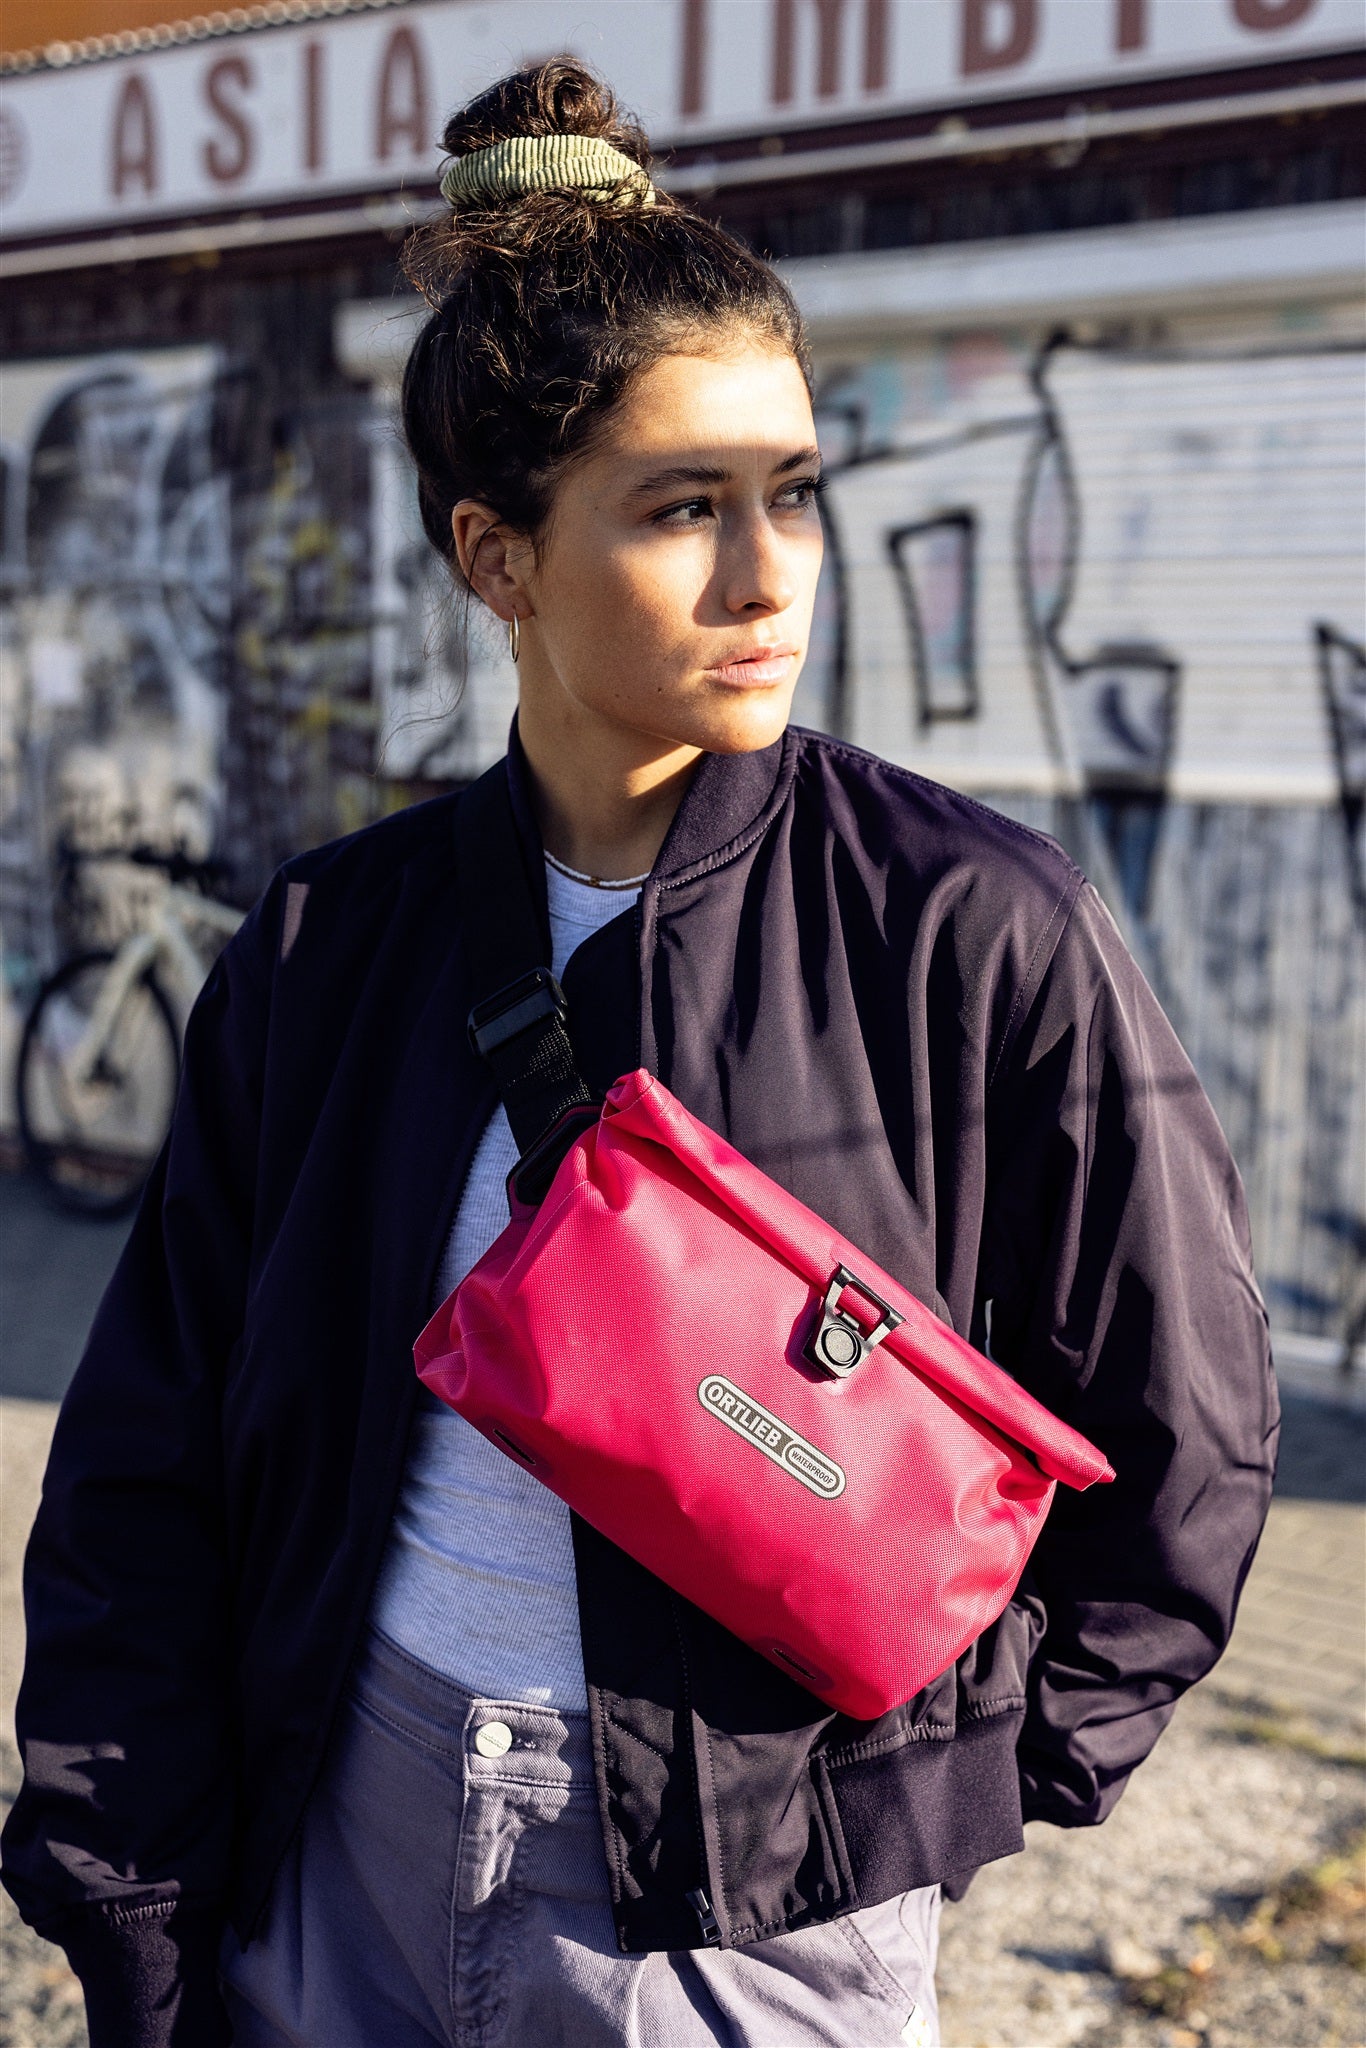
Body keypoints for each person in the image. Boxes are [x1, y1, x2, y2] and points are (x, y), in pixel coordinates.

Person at [1, 59, 1278, 2048]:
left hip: (746, 1928)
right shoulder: (331, 947)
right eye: (684, 507)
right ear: (495, 556)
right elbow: (147, 1465)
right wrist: (130, 1893)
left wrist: (941, 1775)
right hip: (335, 1842)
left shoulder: (965, 924)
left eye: (793, 491)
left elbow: (1182, 1417)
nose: (769, 575)